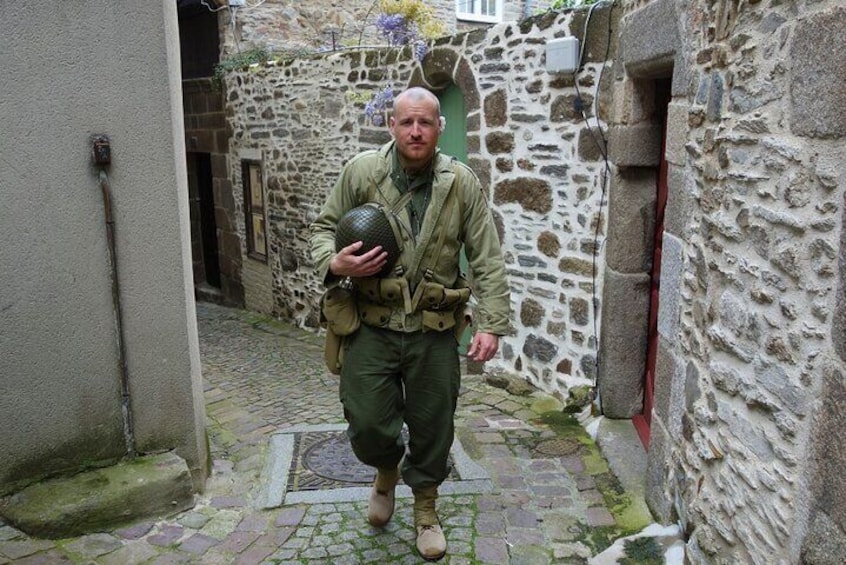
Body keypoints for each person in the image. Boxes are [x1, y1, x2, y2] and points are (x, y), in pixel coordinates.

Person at [309, 86, 510, 561]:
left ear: (440, 127)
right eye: (406, 122)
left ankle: (426, 508)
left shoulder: (461, 183)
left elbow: (486, 254)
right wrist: (334, 263)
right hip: (371, 326)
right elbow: (322, 228)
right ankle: (384, 472)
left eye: (425, 122)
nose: (415, 131)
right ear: (391, 126)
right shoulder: (361, 172)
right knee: (367, 424)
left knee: (433, 427)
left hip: (434, 330)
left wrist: (492, 322)